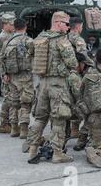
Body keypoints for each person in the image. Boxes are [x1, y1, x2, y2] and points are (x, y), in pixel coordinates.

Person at [27, 11, 78, 163]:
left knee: (40, 118)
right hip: (58, 85)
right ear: (58, 23)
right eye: (66, 24)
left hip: (42, 84)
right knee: (59, 119)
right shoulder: (62, 40)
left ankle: (32, 149)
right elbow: (72, 63)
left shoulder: (39, 38)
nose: (68, 28)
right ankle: (57, 153)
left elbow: (30, 55)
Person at [0, 18, 34, 139]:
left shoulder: (7, 42)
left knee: (14, 103)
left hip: (11, 76)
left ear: (14, 27)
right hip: (25, 76)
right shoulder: (29, 41)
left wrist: (4, 74)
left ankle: (14, 129)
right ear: (25, 27)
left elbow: (1, 59)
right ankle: (24, 130)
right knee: (25, 102)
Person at [67, 16, 93, 137]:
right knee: (79, 100)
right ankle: (75, 129)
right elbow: (83, 56)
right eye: (82, 26)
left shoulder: (64, 38)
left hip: (64, 73)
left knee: (67, 101)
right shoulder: (78, 39)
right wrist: (93, 65)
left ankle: (67, 129)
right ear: (78, 26)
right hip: (75, 73)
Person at [0, 12, 15, 134]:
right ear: (5, 25)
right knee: (8, 97)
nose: (13, 26)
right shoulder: (3, 38)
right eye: (11, 24)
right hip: (6, 71)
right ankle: (4, 124)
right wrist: (4, 73)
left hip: (10, 70)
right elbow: (0, 57)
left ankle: (9, 123)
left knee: (11, 97)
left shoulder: (9, 36)